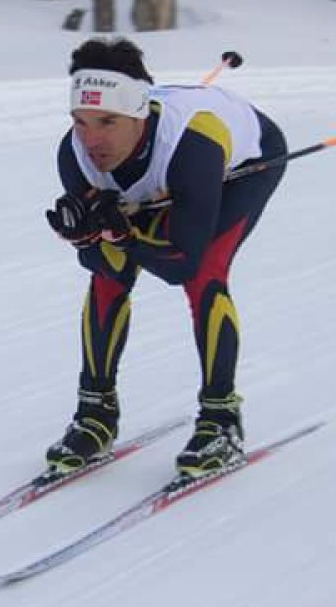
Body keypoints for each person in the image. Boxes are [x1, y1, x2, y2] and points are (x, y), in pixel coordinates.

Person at [44, 37, 288, 480]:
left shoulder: (193, 145)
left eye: (106, 122)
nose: (91, 139)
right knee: (108, 278)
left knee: (206, 274)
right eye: (80, 121)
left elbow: (181, 264)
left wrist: (120, 232)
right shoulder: (74, 153)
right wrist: (88, 240)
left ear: (136, 114)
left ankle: (221, 421)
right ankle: (96, 413)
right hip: (167, 169)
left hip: (244, 166)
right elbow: (104, 266)